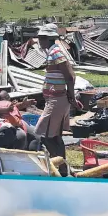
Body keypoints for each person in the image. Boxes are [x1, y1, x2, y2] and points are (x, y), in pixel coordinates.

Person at [34, 23, 77, 159]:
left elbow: (70, 76)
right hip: (56, 100)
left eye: (41, 38)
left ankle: (57, 166)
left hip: (56, 101)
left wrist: (72, 96)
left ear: (48, 38)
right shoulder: (54, 51)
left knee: (44, 135)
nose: (39, 41)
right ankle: (62, 168)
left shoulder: (55, 52)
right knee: (55, 136)